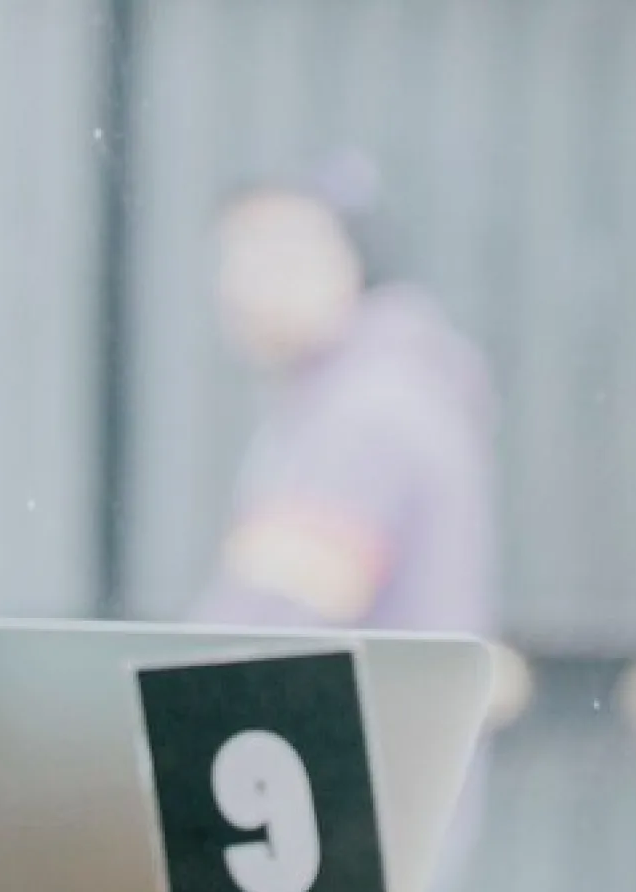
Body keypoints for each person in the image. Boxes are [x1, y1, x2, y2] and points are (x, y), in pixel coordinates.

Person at [192, 160, 498, 638]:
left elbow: (266, 632)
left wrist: (146, 699)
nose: (242, 283)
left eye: (280, 255)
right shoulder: (379, 390)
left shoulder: (367, 412)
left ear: (356, 263)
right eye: (235, 255)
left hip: (365, 713)